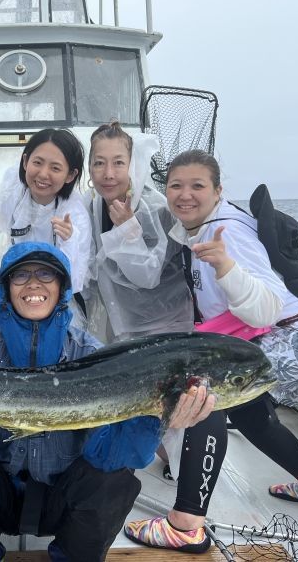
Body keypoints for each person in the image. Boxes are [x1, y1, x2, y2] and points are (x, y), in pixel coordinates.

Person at [0, 241, 216, 562]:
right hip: (2, 493)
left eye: (46, 273)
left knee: (114, 479)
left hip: (63, 497)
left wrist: (155, 416)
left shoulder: (92, 354)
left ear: (62, 288)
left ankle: (72, 554)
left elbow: (116, 456)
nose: (33, 283)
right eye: (21, 276)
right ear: (6, 289)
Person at [125, 149, 298, 548]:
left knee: (206, 396)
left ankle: (186, 524)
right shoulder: (197, 228)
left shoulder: (226, 231)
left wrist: (227, 267)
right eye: (176, 185)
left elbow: (266, 307)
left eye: (197, 186)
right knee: (251, 414)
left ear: (218, 190)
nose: (185, 195)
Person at [86, 121, 226, 553]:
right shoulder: (94, 204)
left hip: (166, 328)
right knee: (153, 407)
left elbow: (146, 274)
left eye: (118, 162)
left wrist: (127, 226)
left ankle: (189, 511)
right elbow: (99, 269)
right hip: (127, 327)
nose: (109, 172)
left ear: (133, 164)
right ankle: (167, 462)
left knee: (183, 407)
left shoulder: (149, 207)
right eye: (99, 162)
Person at [0, 128, 92, 315]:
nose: (43, 174)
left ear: (70, 175)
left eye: (55, 168)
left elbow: (75, 280)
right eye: (37, 162)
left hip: (58, 306)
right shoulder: (16, 195)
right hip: (21, 295)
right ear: (25, 161)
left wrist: (69, 240)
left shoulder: (74, 215)